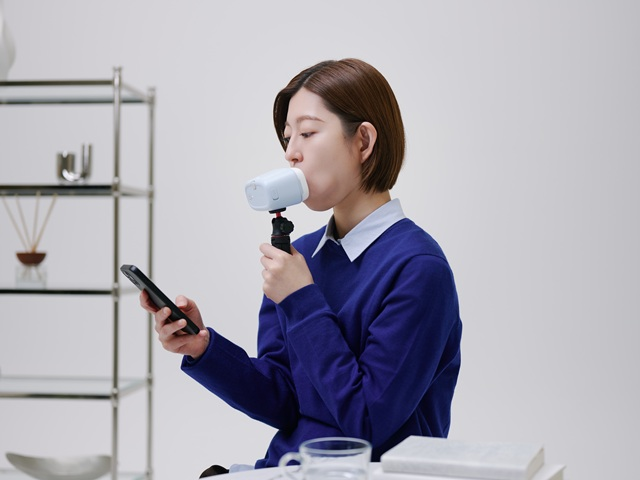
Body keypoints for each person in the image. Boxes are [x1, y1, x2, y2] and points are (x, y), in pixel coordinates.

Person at [141, 58, 462, 472]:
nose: (291, 153)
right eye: (287, 137)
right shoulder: (300, 258)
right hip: (291, 467)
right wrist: (203, 348)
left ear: (363, 141)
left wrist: (302, 299)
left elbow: (367, 423)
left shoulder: (418, 269)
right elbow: (285, 401)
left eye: (307, 133)